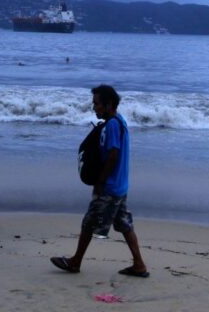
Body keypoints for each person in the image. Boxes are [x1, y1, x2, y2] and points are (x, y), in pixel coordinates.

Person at [50, 85, 149, 277]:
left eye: (97, 104)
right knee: (124, 224)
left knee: (89, 222)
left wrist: (100, 182)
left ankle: (75, 262)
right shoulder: (119, 120)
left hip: (110, 187)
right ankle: (139, 265)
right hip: (120, 185)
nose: (94, 107)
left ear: (108, 104)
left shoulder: (112, 125)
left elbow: (113, 155)